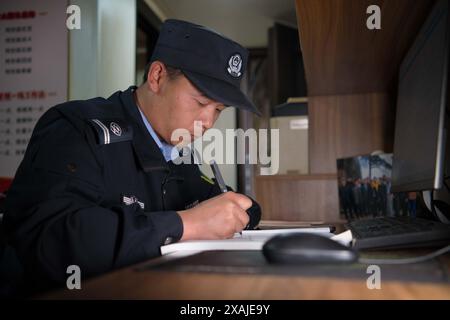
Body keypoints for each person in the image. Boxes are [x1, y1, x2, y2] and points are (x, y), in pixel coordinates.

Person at [2, 19, 261, 293]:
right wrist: (186, 224)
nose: (209, 121)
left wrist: (241, 211)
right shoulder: (77, 129)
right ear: (157, 76)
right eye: (200, 102)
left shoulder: (178, 153)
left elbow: (226, 203)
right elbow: (54, 239)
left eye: (218, 110)